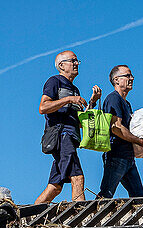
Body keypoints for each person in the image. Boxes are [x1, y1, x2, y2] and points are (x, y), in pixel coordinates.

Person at [34, 51, 100, 204]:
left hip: (71, 137)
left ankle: (31, 218)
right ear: (61, 65)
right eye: (73, 61)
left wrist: (92, 102)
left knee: (55, 187)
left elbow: (79, 120)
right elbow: (43, 107)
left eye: (77, 61)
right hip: (61, 136)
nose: (77, 64)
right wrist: (69, 99)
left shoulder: (75, 89)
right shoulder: (54, 82)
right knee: (78, 177)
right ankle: (80, 220)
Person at [98, 65, 143, 198]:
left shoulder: (127, 103)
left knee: (140, 197)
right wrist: (141, 141)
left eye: (131, 76)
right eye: (127, 75)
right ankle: (91, 217)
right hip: (116, 155)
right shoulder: (113, 99)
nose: (131, 78)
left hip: (128, 158)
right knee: (106, 194)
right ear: (116, 80)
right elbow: (116, 127)